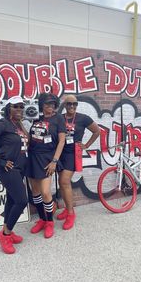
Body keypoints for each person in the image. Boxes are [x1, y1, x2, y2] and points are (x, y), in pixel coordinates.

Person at [0, 96, 29, 254]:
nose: (19, 110)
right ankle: (5, 235)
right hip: (8, 169)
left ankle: (6, 229)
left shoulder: (17, 125)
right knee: (22, 200)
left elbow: (27, 142)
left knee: (12, 199)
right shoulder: (2, 123)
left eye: (21, 107)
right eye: (15, 107)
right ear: (8, 108)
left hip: (20, 168)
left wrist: (20, 123)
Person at [57, 94, 100, 230]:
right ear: (65, 105)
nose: (72, 106)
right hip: (60, 153)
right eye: (69, 104)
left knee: (64, 181)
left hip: (72, 154)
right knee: (61, 182)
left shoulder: (83, 118)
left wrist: (86, 145)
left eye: (74, 104)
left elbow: (96, 131)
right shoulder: (60, 118)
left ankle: (71, 213)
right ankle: (67, 208)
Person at [27, 93, 66, 238]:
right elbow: (31, 137)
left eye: (52, 104)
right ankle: (42, 219)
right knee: (35, 192)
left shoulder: (59, 119)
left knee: (45, 192)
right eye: (46, 104)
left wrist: (55, 161)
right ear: (41, 105)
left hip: (47, 158)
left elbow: (61, 141)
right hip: (32, 156)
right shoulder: (37, 117)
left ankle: (50, 222)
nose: (49, 107)